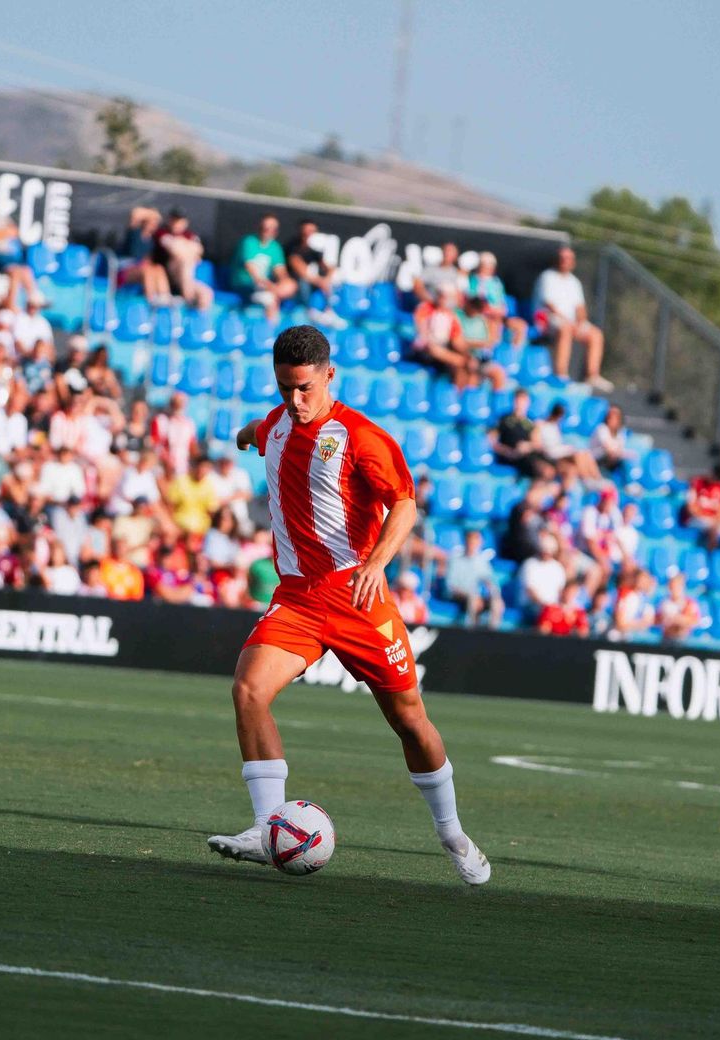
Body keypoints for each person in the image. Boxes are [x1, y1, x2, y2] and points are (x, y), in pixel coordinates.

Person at [205, 324, 490, 886]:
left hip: (358, 597)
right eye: (285, 388)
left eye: (305, 388)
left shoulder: (360, 437)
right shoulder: (277, 424)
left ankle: (453, 834)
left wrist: (377, 563)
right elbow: (257, 431)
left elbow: (403, 504)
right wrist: (243, 435)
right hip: (297, 598)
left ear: (329, 374)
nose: (296, 400)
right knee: (249, 690)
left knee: (409, 720)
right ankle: (267, 829)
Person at [533, 246, 609, 391]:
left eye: (568, 258)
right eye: (562, 258)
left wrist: (581, 322)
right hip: (547, 319)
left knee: (595, 334)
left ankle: (592, 376)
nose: (565, 261)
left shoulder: (574, 282)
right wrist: (569, 322)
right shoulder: (547, 277)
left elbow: (580, 307)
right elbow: (549, 305)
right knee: (566, 329)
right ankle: (561, 374)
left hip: (571, 322)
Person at [229, 213, 297, 320]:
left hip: (266, 287)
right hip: (245, 284)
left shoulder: (275, 247)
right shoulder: (249, 241)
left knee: (290, 284)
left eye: (271, 228)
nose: (266, 230)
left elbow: (280, 271)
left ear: (276, 231)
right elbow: (251, 270)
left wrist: (283, 283)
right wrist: (271, 287)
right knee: (271, 299)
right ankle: (271, 327)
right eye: (264, 227)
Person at [444, 527, 503, 628]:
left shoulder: (482, 562)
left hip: (476, 597)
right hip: (459, 597)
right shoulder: (455, 560)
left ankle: (492, 632)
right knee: (473, 600)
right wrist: (470, 596)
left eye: (476, 539)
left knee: (497, 603)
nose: (472, 543)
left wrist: (493, 592)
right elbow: (450, 587)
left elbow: (490, 581)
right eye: (470, 539)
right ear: (465, 541)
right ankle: (471, 631)